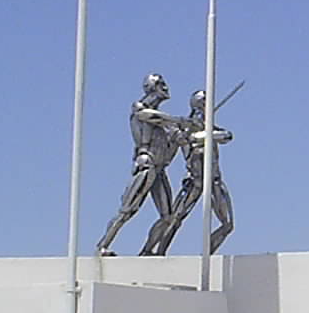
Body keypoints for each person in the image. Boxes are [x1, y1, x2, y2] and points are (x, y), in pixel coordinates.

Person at [96, 74, 186, 255]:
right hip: (147, 165)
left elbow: (171, 148)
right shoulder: (139, 108)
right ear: (151, 87)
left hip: (160, 170)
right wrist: (181, 121)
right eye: (161, 84)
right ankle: (102, 246)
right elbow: (152, 117)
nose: (166, 88)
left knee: (168, 217)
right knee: (128, 210)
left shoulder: (166, 125)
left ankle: (147, 251)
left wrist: (180, 137)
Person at [143, 90, 233, 256]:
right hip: (194, 181)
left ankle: (206, 255)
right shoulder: (185, 128)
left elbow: (227, 136)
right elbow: (188, 144)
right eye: (204, 101)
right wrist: (196, 135)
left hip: (215, 182)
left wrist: (207, 133)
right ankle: (156, 252)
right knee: (173, 220)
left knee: (227, 224)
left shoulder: (209, 127)